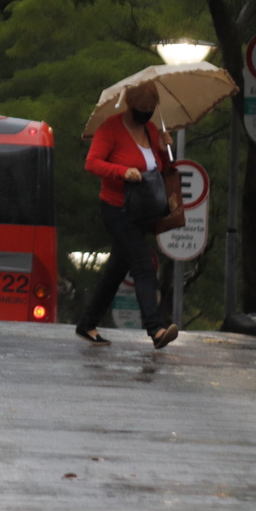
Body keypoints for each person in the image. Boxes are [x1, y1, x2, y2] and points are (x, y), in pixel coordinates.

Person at [76, 81, 180, 349]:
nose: (147, 112)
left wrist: (164, 148)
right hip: (117, 208)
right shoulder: (111, 128)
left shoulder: (151, 129)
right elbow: (92, 162)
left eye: (151, 108)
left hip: (143, 210)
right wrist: (122, 172)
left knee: (116, 270)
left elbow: (160, 169)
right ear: (130, 104)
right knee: (143, 265)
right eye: (142, 108)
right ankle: (155, 329)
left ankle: (87, 323)